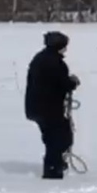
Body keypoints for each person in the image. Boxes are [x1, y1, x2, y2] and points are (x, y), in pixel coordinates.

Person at [24, 31, 81, 179]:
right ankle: (53, 170)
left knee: (52, 137)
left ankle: (55, 165)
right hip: (49, 108)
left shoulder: (39, 58)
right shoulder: (56, 63)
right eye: (64, 46)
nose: (66, 49)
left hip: (35, 107)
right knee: (59, 138)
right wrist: (72, 82)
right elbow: (62, 83)